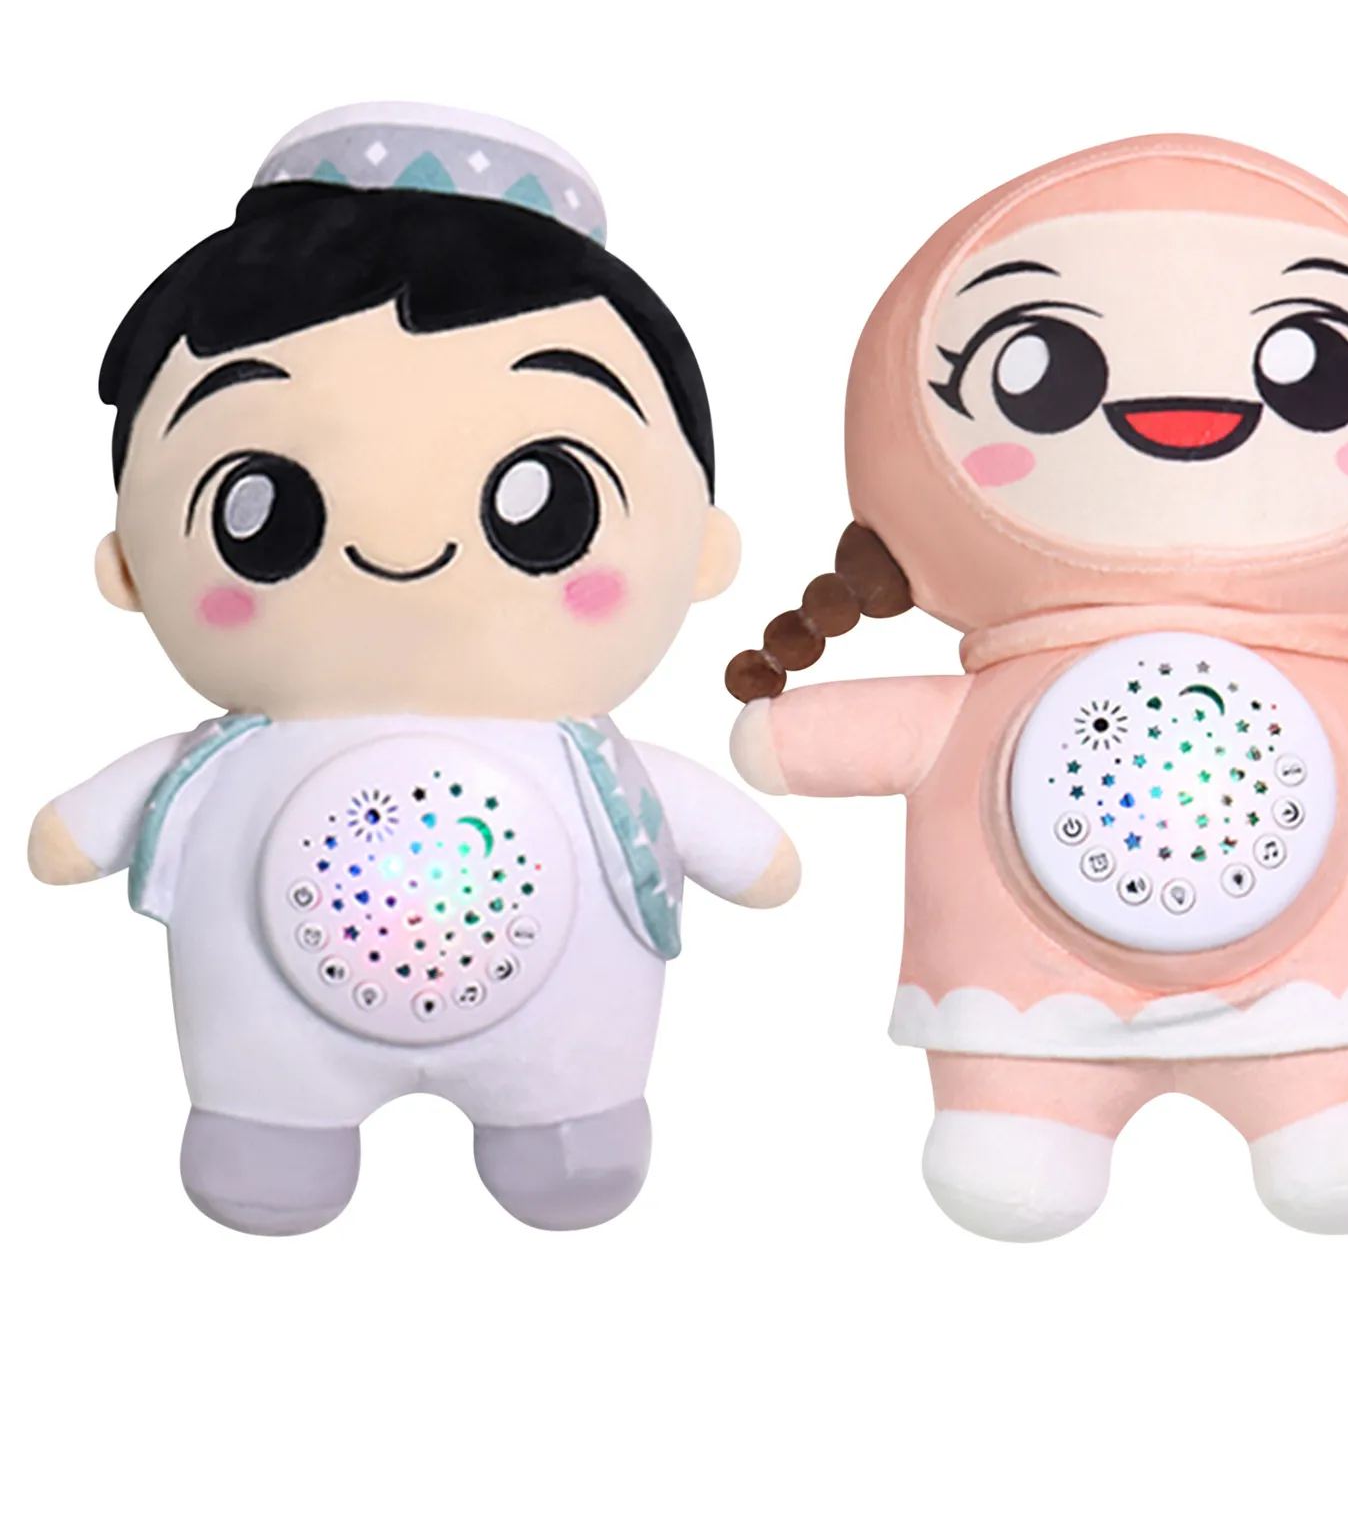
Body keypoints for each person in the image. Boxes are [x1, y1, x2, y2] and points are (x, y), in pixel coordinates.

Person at [727, 134, 1348, 1239]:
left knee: (1322, 1162)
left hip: (1288, 995)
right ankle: (1062, 1113)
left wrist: (781, 738)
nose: (1186, 406)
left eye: (1317, 374)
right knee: (1019, 1174)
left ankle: (1314, 1106)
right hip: (1043, 1003)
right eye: (1043, 373)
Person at [29, 103, 798, 1235]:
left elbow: (756, 859)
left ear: (699, 555)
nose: (401, 551)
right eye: (262, 512)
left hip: (551, 1026)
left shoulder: (584, 755)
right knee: (268, 1129)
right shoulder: (231, 755)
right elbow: (770, 869)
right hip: (273, 1022)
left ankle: (561, 1127)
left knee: (565, 1130)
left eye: (545, 505)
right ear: (131, 569)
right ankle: (277, 1132)